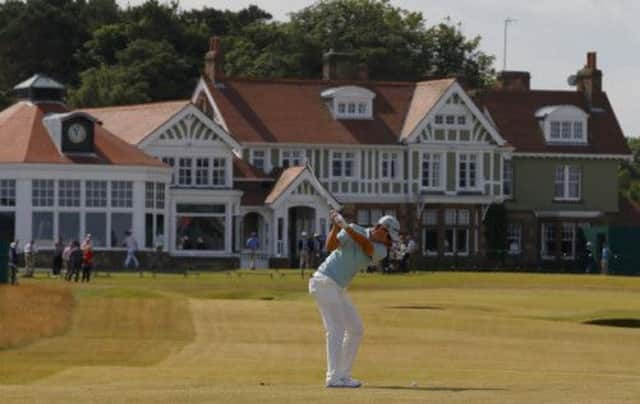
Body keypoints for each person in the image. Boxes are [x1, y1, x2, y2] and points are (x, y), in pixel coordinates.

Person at [309, 211, 399, 388]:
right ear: (380, 228)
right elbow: (330, 246)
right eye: (389, 236)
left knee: (356, 329)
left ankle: (343, 375)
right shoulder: (354, 229)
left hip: (338, 287)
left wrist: (344, 226)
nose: (389, 241)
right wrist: (335, 226)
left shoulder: (380, 250)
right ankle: (333, 377)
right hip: (324, 281)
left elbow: (365, 245)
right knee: (336, 329)